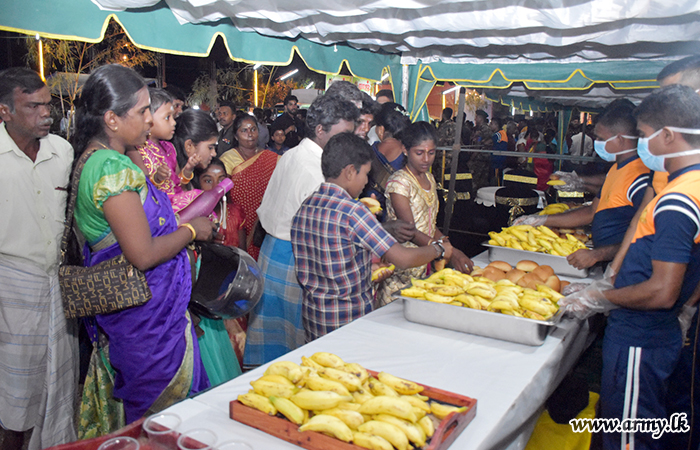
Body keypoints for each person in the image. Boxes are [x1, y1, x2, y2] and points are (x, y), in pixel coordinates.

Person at [71, 64, 215, 423]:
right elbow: (143, 254)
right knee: (161, 422)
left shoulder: (114, 158)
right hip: (146, 325)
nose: (151, 120)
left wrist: (133, 141)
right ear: (111, 119)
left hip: (152, 313)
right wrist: (192, 231)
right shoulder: (109, 170)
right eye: (142, 111)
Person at [560, 84, 700, 450]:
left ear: (667, 136)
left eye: (643, 135)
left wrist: (601, 298)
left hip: (642, 335)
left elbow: (661, 290)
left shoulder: (678, 200)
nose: (642, 146)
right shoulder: (688, 183)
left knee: (629, 437)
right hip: (653, 330)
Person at [291, 132, 454, 341]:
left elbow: (332, 262)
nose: (367, 181)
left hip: (315, 317)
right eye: (366, 174)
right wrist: (439, 249)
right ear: (350, 172)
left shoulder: (307, 206)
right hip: (349, 318)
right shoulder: (352, 211)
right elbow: (403, 258)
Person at [244, 93, 360, 368]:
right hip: (298, 257)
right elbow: (325, 230)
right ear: (320, 130)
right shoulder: (318, 171)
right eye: (342, 135)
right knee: (297, 348)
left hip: (272, 252)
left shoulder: (291, 154)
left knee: (274, 341)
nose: (347, 144)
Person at [0, 67, 78, 450]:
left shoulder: (62, 151)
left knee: (59, 380)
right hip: (10, 283)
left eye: (47, 105)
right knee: (15, 391)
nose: (46, 113)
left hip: (57, 282)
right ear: (5, 112)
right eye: (32, 106)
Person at [516, 100, 650, 270]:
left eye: (601, 139)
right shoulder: (617, 169)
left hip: (628, 266)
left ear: (621, 140)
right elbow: (591, 211)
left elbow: (644, 236)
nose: (597, 143)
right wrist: (540, 220)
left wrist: (597, 254)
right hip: (610, 264)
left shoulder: (641, 179)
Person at [377, 122, 473, 306]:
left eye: (431, 152)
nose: (426, 159)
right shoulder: (400, 183)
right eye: (419, 153)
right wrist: (447, 252)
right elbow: (410, 231)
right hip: (400, 266)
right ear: (405, 150)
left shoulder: (429, 178)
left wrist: (446, 244)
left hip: (423, 263)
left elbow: (428, 224)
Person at [130, 88, 201, 214]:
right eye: (167, 118)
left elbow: (178, 182)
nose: (174, 123)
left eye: (173, 117)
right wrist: (157, 178)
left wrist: (188, 169)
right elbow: (142, 190)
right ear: (148, 118)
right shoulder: (138, 149)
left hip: (176, 200)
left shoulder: (169, 148)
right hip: (159, 206)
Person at [219, 114, 279, 260]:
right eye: (244, 130)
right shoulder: (227, 159)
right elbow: (222, 193)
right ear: (236, 135)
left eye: (253, 129)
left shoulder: (270, 157)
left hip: (264, 220)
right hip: (238, 220)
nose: (250, 134)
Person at [362, 102, 411, 213]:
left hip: (371, 216)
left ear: (381, 129)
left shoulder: (369, 152)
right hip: (403, 218)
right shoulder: (411, 154)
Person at [193, 157, 246, 250]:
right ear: (198, 183)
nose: (216, 186)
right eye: (208, 181)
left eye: (221, 180)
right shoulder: (192, 216)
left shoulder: (236, 212)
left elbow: (242, 253)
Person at [469, 109, 492, 190]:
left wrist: (472, 158)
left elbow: (478, 146)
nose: (475, 119)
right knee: (482, 181)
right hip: (484, 158)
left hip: (480, 158)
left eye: (476, 117)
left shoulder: (483, 130)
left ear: (480, 118)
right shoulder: (485, 129)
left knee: (475, 180)